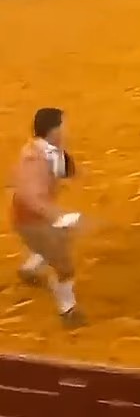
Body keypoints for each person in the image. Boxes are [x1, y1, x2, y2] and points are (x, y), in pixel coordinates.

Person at [10, 108, 84, 327]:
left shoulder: (50, 150)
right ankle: (67, 310)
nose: (66, 129)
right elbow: (32, 198)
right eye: (63, 125)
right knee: (65, 267)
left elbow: (64, 169)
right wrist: (57, 215)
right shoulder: (34, 159)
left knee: (63, 235)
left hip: (36, 217)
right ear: (54, 130)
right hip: (32, 220)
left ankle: (31, 268)